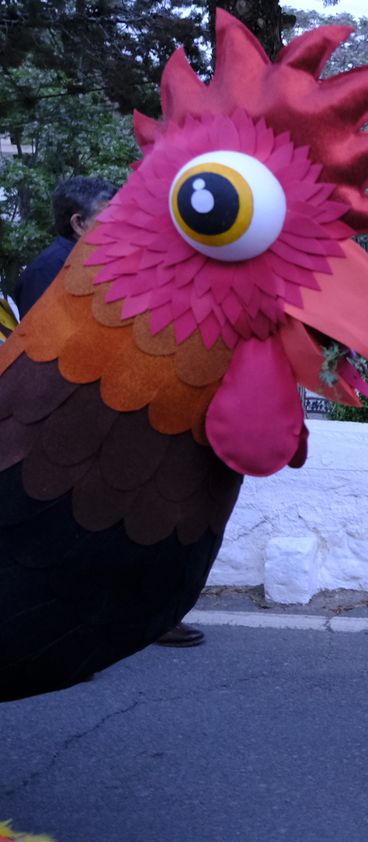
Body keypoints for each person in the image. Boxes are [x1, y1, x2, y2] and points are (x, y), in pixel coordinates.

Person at [9, 176, 205, 649]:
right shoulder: (53, 272)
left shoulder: (90, 263)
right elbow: (41, 366)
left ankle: (135, 617)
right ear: (79, 224)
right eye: (111, 214)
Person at [11, 176, 116, 319]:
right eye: (110, 217)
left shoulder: (100, 260)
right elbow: (43, 335)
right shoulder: (46, 271)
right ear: (79, 224)